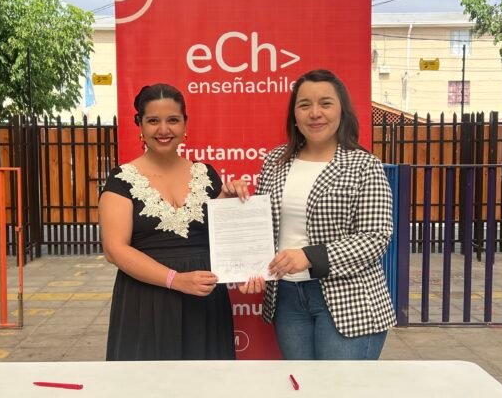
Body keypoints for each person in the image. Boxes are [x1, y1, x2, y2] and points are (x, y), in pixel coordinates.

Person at [239, 69, 396, 360]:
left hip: (349, 302)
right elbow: (261, 228)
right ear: (294, 115)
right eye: (304, 105)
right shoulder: (275, 161)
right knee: (303, 387)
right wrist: (248, 262)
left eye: (325, 103)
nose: (315, 113)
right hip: (287, 299)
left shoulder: (364, 165)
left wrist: (309, 256)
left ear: (341, 111)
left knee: (340, 389)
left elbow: (375, 238)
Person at [99, 83, 248, 360]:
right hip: (146, 302)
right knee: (149, 382)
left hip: (204, 301)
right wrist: (175, 280)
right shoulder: (121, 180)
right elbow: (114, 249)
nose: (164, 129)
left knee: (206, 382)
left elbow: (222, 237)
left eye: (173, 120)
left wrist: (228, 200)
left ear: (185, 124)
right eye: (153, 121)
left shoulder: (206, 174)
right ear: (140, 125)